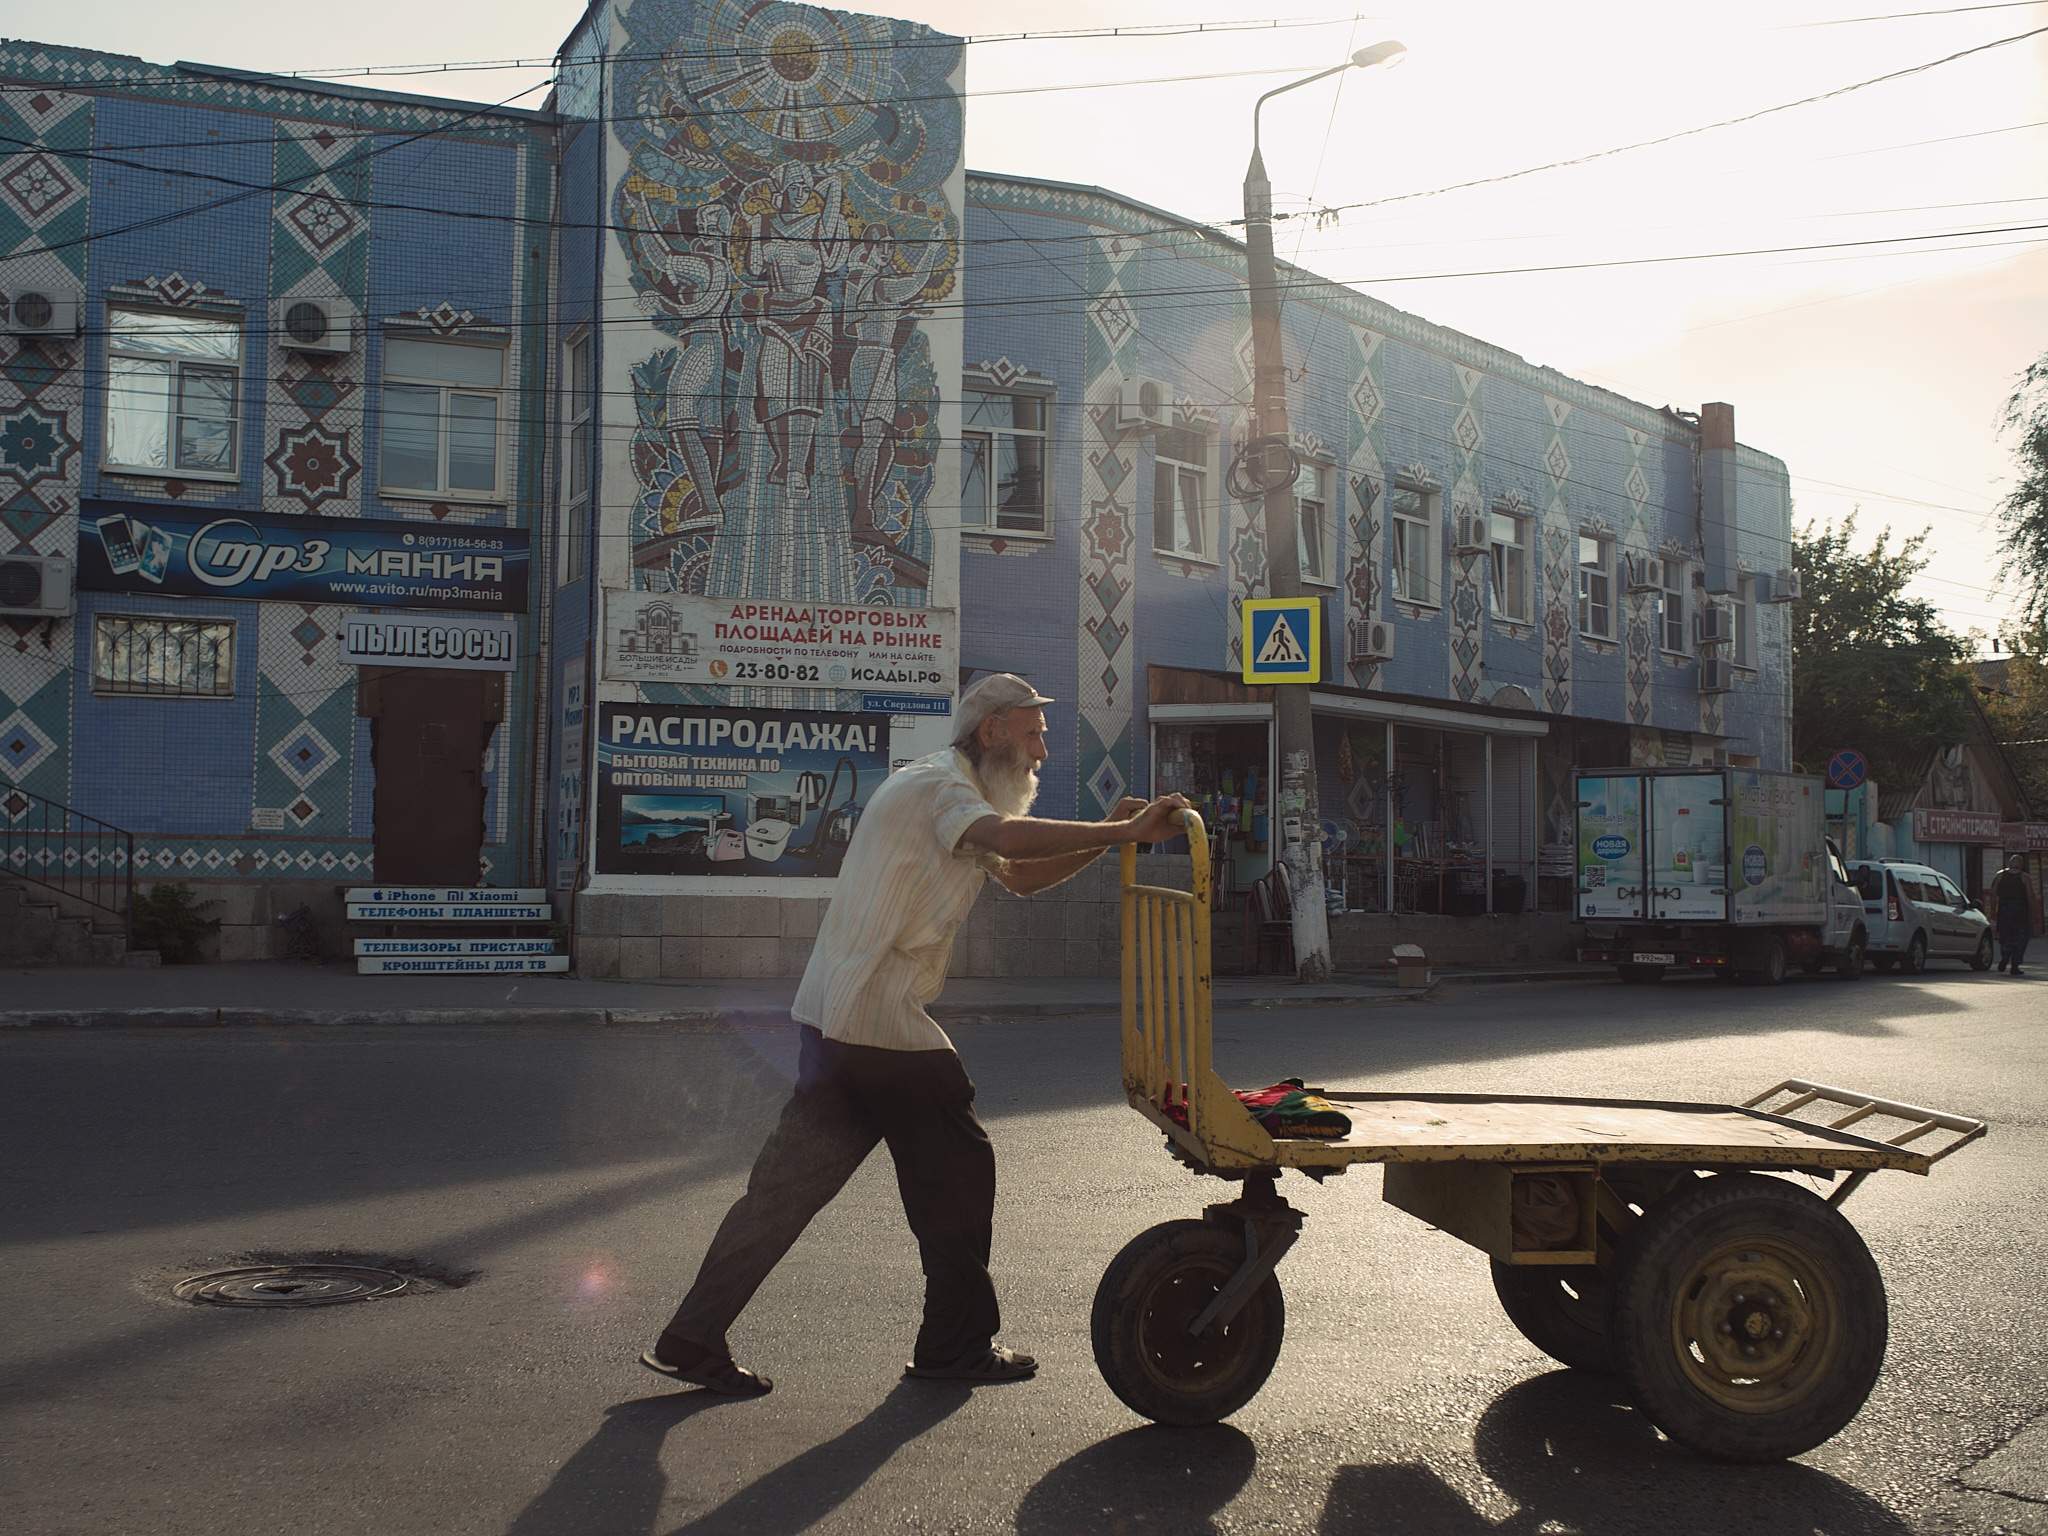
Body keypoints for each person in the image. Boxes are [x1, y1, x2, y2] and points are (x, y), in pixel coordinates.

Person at [640, 673, 1191, 1395]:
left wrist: (1105, 839)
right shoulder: (943, 789)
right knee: (959, 1179)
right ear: (991, 731)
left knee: (782, 1193)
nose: (1041, 756)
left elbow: (1019, 876)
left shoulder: (949, 791)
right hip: (882, 1021)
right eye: (1033, 736)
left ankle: (691, 1335)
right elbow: (1003, 837)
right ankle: (952, 1346)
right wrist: (1123, 831)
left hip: (834, 1018)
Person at [1991, 853, 2032, 976]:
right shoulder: (2025, 877)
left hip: (2004, 910)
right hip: (2020, 911)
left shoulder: (1999, 875)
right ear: (2021, 865)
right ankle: (2015, 965)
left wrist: (1993, 912)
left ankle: (2005, 957)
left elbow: (1993, 895)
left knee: (2005, 937)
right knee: (2021, 938)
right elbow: (2030, 896)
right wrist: (2033, 913)